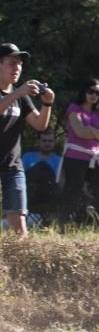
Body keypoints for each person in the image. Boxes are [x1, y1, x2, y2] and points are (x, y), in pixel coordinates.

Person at [0, 42, 55, 235]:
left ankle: (14, 264)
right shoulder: (19, 94)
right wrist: (18, 92)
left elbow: (40, 125)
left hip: (12, 166)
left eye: (20, 64)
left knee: (19, 225)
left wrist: (47, 103)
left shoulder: (21, 97)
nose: (17, 68)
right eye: (11, 63)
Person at [60, 78, 99, 227]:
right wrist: (96, 132)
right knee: (73, 193)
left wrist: (90, 129)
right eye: (91, 91)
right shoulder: (73, 109)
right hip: (75, 157)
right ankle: (66, 225)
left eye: (97, 93)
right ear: (84, 92)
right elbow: (80, 132)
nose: (94, 95)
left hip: (95, 158)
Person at [22, 127, 62, 222]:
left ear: (54, 142)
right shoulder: (27, 157)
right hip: (30, 194)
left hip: (49, 195)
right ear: (39, 141)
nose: (47, 143)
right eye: (44, 140)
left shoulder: (59, 161)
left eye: (50, 141)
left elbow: (60, 183)